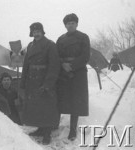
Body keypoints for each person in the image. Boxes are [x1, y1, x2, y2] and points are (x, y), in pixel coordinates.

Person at [20, 22, 60, 145]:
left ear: (42, 32)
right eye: (34, 31)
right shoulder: (30, 46)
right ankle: (40, 129)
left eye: (38, 31)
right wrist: (23, 82)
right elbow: (26, 65)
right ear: (31, 33)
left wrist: (47, 84)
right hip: (32, 81)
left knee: (46, 107)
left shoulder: (50, 45)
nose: (36, 33)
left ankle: (47, 133)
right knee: (37, 106)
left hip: (44, 80)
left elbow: (54, 66)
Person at [56, 13, 90, 141]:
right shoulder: (60, 39)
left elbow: (86, 56)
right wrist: (63, 64)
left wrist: (72, 65)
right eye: (68, 23)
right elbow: (56, 55)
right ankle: (55, 124)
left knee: (76, 101)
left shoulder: (83, 37)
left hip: (78, 73)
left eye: (72, 23)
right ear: (65, 25)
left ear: (76, 24)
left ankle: (73, 129)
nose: (70, 25)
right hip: (63, 72)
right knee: (62, 98)